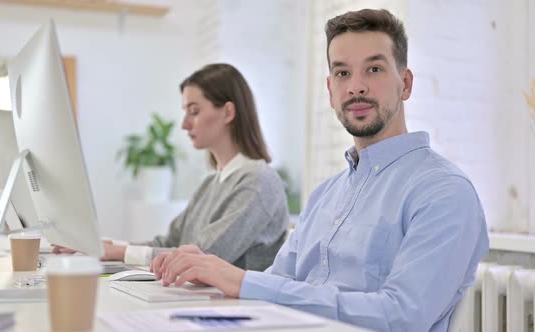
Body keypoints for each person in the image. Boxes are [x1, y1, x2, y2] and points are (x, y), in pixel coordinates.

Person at [150, 9, 489, 332]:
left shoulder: (444, 192)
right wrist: (212, 275)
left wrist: (241, 282)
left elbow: (399, 317)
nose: (356, 86)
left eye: (373, 69)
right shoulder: (325, 195)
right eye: (343, 73)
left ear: (406, 83)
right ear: (330, 91)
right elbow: (279, 283)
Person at [54, 63, 289, 271]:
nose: (185, 124)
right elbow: (167, 245)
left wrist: (119, 252)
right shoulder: (211, 184)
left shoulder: (258, 181)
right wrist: (99, 245)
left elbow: (204, 256)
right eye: (185, 112)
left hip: (235, 310)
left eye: (194, 112)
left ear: (228, 112)